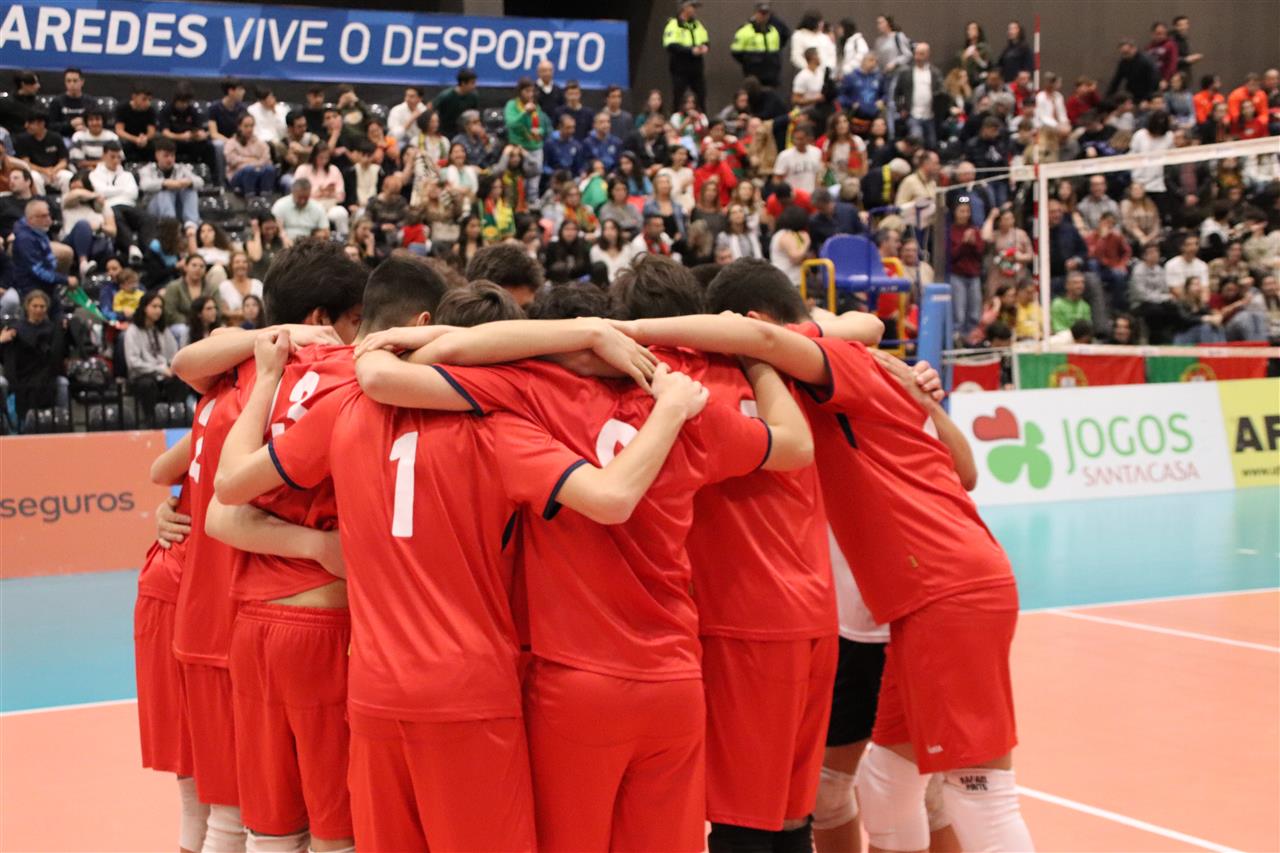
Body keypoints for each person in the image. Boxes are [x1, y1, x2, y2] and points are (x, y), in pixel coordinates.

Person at [618, 266, 1034, 853]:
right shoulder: (855, 361)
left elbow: (773, 339)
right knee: (884, 782)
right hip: (916, 595)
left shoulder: (831, 361)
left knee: (978, 792)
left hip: (942, 584)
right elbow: (861, 329)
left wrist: (624, 329)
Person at [0, 289, 68, 425]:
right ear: (27, 307)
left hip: (47, 377)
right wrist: (1, 341)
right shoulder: (13, 329)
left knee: (63, 383)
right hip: (19, 378)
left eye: (42, 306)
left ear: (47, 308)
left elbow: (58, 357)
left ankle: (63, 422)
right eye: (35, 306)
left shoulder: (53, 329)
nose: (38, 310)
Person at [124, 290, 186, 426]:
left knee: (180, 381)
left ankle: (176, 418)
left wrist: (173, 367)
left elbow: (174, 353)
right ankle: (151, 421)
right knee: (147, 384)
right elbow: (133, 362)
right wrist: (159, 369)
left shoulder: (163, 330)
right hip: (142, 375)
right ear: (144, 308)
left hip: (164, 374)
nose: (158, 310)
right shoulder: (133, 331)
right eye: (154, 306)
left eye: (160, 307)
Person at [4, 199, 70, 316]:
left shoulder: (38, 232)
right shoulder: (25, 240)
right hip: (31, 288)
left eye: (48, 215)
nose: (49, 219)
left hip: (45, 285)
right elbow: (38, 270)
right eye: (44, 216)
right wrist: (64, 280)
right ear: (31, 219)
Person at [89, 142, 150, 256]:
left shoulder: (127, 175)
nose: (116, 161)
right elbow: (100, 192)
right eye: (112, 157)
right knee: (116, 216)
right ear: (104, 156)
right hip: (109, 207)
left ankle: (147, 251)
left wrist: (110, 191)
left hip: (128, 205)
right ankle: (132, 247)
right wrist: (122, 190)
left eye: (118, 157)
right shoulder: (94, 175)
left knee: (147, 218)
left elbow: (133, 194)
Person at [139, 139, 202, 230]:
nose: (170, 159)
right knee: (165, 192)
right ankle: (171, 227)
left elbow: (200, 182)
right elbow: (144, 185)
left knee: (190, 189)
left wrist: (188, 182)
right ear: (157, 155)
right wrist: (165, 183)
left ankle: (191, 225)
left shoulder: (181, 168)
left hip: (177, 207)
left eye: (172, 156)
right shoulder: (147, 169)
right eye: (166, 156)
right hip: (154, 209)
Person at [503, 78, 549, 202]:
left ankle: (533, 204)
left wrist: (540, 131)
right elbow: (511, 124)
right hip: (519, 149)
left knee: (534, 184)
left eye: (532, 91)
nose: (530, 94)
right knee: (520, 183)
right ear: (520, 92)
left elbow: (543, 126)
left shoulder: (536, 107)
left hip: (535, 147)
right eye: (527, 91)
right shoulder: (512, 105)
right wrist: (524, 112)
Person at [894, 43, 944, 151]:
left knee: (932, 144)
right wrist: (901, 109)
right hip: (913, 114)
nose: (917, 57)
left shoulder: (935, 73)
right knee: (916, 139)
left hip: (930, 115)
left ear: (927, 55)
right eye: (916, 54)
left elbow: (941, 92)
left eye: (921, 54)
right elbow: (897, 93)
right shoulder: (906, 72)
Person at [161, 84, 218, 178]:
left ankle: (211, 177)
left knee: (209, 146)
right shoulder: (167, 110)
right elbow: (165, 132)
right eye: (182, 102)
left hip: (190, 142)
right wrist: (181, 136)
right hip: (173, 142)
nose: (184, 105)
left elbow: (199, 129)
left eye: (187, 102)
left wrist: (199, 135)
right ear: (176, 100)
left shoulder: (192, 111)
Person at [664, 0, 710, 111]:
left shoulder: (697, 24)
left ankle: (702, 119)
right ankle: (676, 118)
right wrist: (690, 51)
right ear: (684, 7)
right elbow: (671, 45)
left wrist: (705, 47)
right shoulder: (674, 24)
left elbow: (705, 40)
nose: (694, 10)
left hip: (696, 66)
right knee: (679, 96)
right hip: (680, 66)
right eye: (692, 6)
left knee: (701, 95)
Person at [949, 199, 986, 339]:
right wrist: (964, 243)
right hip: (957, 275)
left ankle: (973, 339)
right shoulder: (950, 231)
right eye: (962, 211)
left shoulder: (975, 230)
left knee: (974, 312)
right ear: (955, 213)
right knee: (959, 313)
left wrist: (974, 243)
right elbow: (951, 256)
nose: (965, 214)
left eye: (967, 211)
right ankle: (958, 340)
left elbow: (981, 253)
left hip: (974, 276)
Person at [731, 3, 789, 88]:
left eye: (766, 14)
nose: (763, 16)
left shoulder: (773, 31)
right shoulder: (744, 31)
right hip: (753, 74)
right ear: (755, 14)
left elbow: (778, 47)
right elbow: (736, 52)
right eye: (761, 13)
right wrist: (749, 61)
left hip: (772, 74)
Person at [14, 110, 71, 193]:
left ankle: (68, 200)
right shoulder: (22, 139)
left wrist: (53, 170)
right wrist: (44, 170)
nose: (26, 126)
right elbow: (25, 163)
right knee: (34, 177)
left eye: (30, 123)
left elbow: (64, 160)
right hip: (36, 171)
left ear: (41, 123)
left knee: (68, 176)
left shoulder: (56, 137)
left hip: (55, 170)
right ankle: (39, 200)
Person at [162, 255, 213, 344]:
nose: (198, 269)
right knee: (185, 331)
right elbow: (170, 312)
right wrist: (193, 322)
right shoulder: (173, 287)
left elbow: (218, 309)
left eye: (201, 266)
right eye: (194, 265)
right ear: (185, 267)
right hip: (180, 325)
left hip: (206, 324)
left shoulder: (211, 287)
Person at [223, 114, 276, 197]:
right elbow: (232, 160)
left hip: (259, 173)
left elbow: (266, 160)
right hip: (238, 176)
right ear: (239, 127)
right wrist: (254, 160)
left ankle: (266, 197)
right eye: (246, 126)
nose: (249, 129)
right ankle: (250, 197)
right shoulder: (231, 143)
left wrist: (246, 162)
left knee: (269, 169)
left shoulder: (260, 143)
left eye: (251, 126)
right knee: (249, 170)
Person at [773, 123, 823, 196]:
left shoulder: (816, 152)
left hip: (812, 195)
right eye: (796, 139)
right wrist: (785, 192)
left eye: (801, 139)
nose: (798, 142)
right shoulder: (784, 155)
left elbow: (819, 175)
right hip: (793, 196)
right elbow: (777, 179)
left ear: (807, 139)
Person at [1107, 39, 1161, 104]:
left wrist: (1148, 99)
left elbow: (1154, 81)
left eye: (1126, 52)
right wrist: (1108, 96)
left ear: (1134, 49)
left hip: (1145, 93)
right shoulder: (1124, 62)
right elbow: (1116, 80)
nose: (1124, 55)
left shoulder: (1146, 61)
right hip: (1132, 94)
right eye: (1123, 53)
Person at [115, 82, 158, 163]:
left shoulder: (151, 111)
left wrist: (145, 138)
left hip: (144, 140)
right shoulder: (122, 108)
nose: (147, 103)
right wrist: (135, 139)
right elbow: (119, 130)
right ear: (134, 97)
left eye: (149, 100)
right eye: (144, 99)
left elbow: (151, 131)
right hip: (128, 140)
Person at [770, 204, 811, 287]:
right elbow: (795, 258)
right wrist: (807, 242)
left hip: (787, 279)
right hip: (789, 281)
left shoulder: (781, 234)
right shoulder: (786, 235)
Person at [1033, 72, 1070, 163]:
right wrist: (1057, 126)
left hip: (1059, 126)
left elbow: (1062, 113)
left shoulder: (1059, 96)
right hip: (1044, 126)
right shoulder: (1040, 97)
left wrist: (1065, 123)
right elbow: (1042, 117)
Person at [215, 252, 262, 324]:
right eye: (237, 262)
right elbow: (223, 312)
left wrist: (236, 313)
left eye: (244, 262)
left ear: (248, 265)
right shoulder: (224, 286)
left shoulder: (257, 284)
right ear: (231, 265)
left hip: (258, 326)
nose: (241, 265)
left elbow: (262, 308)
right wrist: (246, 313)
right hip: (233, 326)